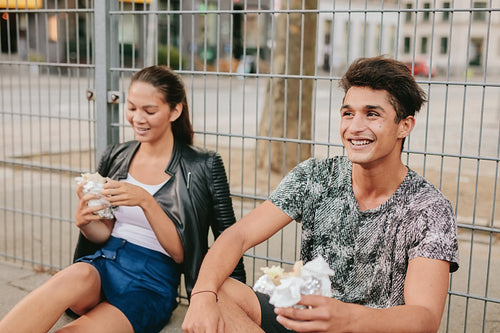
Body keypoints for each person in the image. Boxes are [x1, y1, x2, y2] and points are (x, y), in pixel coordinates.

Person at [181, 56, 459, 333]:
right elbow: (237, 236)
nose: (354, 127)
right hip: (306, 321)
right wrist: (201, 296)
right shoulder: (316, 175)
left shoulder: (429, 208)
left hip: (369, 328)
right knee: (219, 289)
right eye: (348, 113)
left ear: (404, 126)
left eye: (372, 114)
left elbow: (424, 318)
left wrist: (347, 318)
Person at [0, 65, 245, 333]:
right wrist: (85, 222)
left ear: (175, 111)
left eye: (149, 111)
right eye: (132, 108)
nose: (137, 118)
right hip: (105, 262)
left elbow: (187, 252)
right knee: (66, 279)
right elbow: (103, 233)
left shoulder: (203, 166)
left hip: (151, 283)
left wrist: (146, 201)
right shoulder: (116, 155)